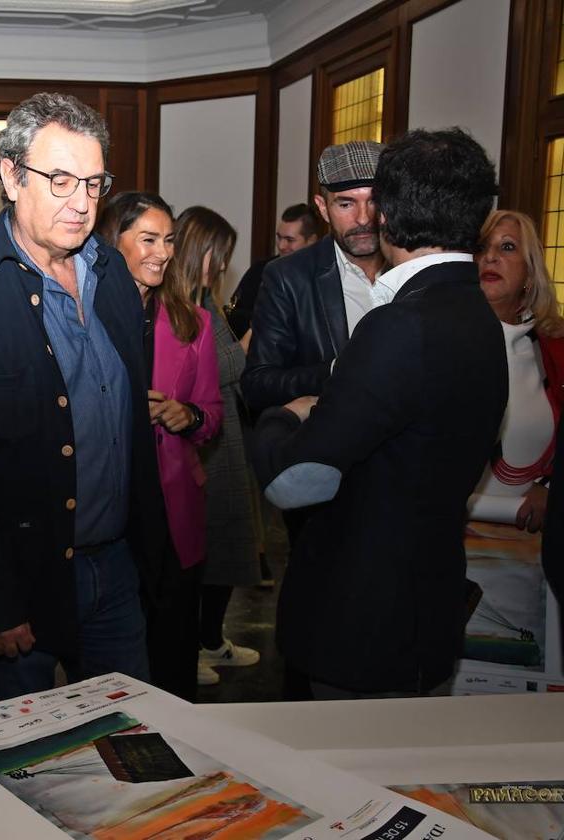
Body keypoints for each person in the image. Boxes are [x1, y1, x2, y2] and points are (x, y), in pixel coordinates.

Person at [0, 93, 170, 704]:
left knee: (136, 751)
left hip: (118, 575)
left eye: (94, 183)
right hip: (20, 590)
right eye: (59, 180)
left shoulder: (114, 281)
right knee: (23, 774)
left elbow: (130, 433)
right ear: (9, 175)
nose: (80, 203)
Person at [252, 128, 506, 699]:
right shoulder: (478, 312)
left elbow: (295, 481)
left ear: (389, 213)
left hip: (364, 616)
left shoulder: (398, 325)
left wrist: (286, 418)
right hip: (426, 603)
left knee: (346, 782)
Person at [99, 192, 221, 701]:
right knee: (111, 663)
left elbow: (212, 415)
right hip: (110, 511)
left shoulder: (193, 320)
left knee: (173, 653)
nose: (163, 252)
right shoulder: (86, 317)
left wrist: (186, 415)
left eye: (168, 240)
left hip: (174, 507)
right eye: (148, 239)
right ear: (113, 242)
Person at [171, 207, 263, 686]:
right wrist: (249, 346)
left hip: (220, 439)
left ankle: (209, 640)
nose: (222, 266)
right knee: (199, 556)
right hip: (202, 443)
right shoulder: (181, 308)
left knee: (221, 552)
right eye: (218, 256)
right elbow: (217, 368)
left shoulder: (203, 300)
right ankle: (193, 648)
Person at [242, 142, 385, 414]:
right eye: (346, 203)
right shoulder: (289, 277)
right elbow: (257, 385)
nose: (363, 218)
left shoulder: (416, 268)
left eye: (374, 201)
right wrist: (334, 371)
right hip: (331, 449)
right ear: (322, 207)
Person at [469, 210, 564, 533]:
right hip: (444, 545)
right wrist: (511, 509)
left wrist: (548, 488)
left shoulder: (554, 347)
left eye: (507, 247)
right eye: (481, 247)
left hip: (533, 555)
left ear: (530, 271)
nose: (490, 257)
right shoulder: (441, 341)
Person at [224, 203, 319, 339]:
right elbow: (235, 316)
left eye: (289, 240)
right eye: (279, 237)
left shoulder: (324, 276)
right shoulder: (260, 270)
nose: (281, 245)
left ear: (311, 241)